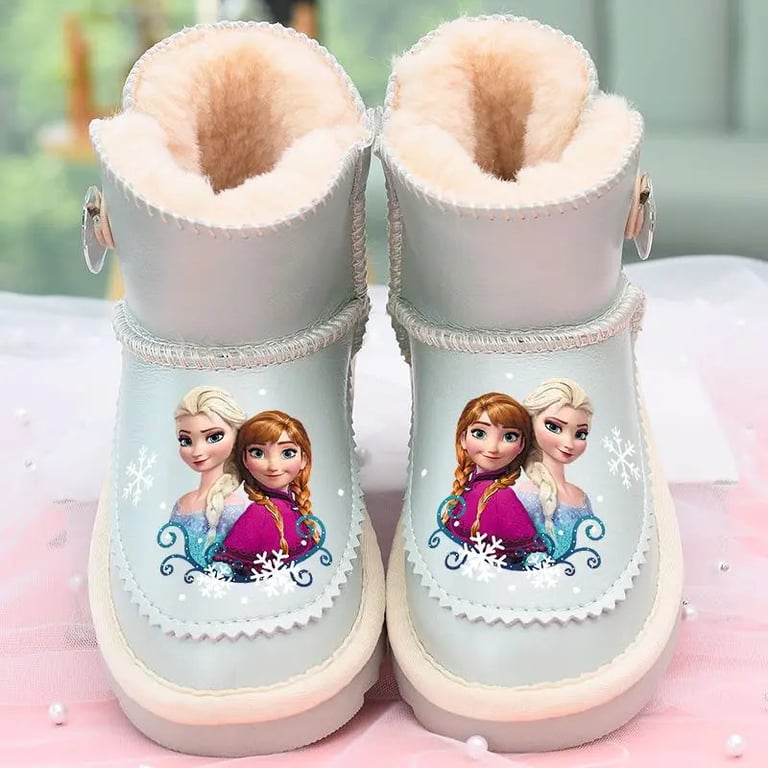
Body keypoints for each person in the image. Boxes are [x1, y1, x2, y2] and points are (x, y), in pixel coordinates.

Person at [213, 409, 321, 579]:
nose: (273, 466)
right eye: (258, 453)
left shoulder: (295, 508)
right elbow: (222, 570)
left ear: (304, 459)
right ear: (245, 460)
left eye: (287, 453)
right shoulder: (258, 513)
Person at [443, 392, 546, 564]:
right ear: (463, 438)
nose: (492, 448)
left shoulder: (502, 497)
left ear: (521, 445)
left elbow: (534, 557)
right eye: (479, 433)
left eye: (509, 436)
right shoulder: (467, 488)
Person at [169, 386, 248, 566]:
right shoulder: (181, 504)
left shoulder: (235, 508)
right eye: (186, 441)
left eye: (213, 437)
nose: (197, 451)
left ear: (236, 435)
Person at [519, 378, 595, 559]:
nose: (569, 443)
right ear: (531, 423)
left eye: (580, 434)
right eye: (553, 427)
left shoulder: (582, 497)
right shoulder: (526, 496)